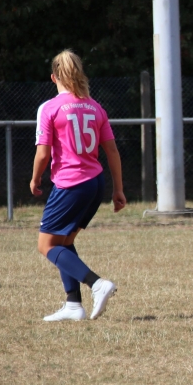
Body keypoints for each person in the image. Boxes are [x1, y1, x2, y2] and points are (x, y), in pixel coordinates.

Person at [31, 50, 125, 321]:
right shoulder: (95, 107)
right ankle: (73, 305)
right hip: (95, 184)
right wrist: (118, 189)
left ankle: (97, 284)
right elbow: (112, 151)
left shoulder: (49, 108)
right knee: (65, 241)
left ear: (54, 77)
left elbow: (43, 154)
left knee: (46, 245)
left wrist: (35, 179)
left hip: (71, 184)